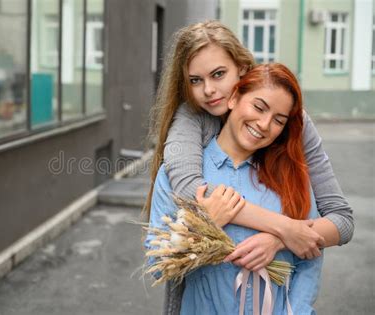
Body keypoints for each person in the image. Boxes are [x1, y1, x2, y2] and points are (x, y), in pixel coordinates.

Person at [143, 21, 354, 314]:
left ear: (241, 69)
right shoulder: (186, 133)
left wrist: (280, 240)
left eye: (218, 74)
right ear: (235, 99)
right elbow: (161, 256)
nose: (208, 90)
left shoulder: (289, 161)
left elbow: (319, 246)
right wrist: (205, 224)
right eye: (195, 80)